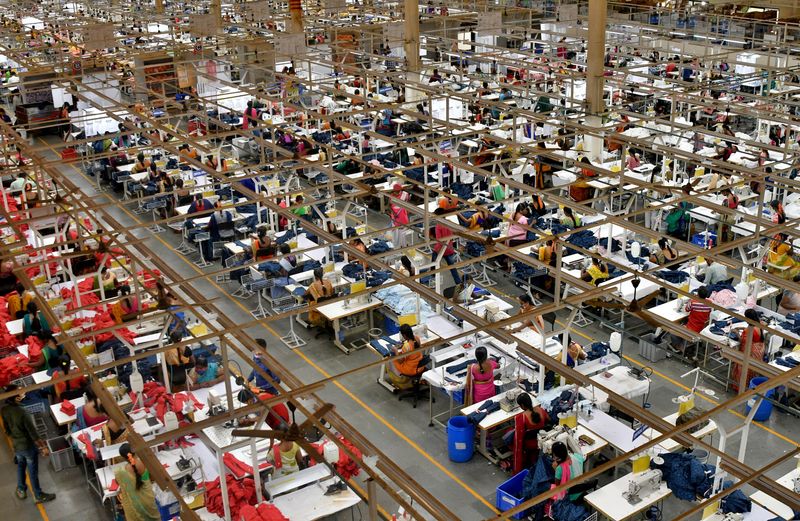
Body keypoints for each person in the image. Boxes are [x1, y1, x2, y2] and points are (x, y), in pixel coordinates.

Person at [1, 385, 56, 503]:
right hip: (27, 446)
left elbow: (7, 429)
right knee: (32, 470)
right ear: (16, 398)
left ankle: (21, 489)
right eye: (20, 393)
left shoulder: (4, 410)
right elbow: (33, 433)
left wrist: (16, 438)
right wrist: (43, 447)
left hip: (17, 446)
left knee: (21, 465)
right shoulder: (23, 412)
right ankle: (38, 494)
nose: (23, 393)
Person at [115, 443, 160, 521]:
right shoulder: (145, 463)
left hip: (134, 507)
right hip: (148, 502)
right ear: (134, 451)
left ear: (123, 458)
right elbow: (152, 478)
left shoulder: (120, 472)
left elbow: (118, 482)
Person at [509, 393, 549, 474]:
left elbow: (518, 440)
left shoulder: (521, 417)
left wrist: (516, 467)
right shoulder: (540, 410)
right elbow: (548, 420)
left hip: (530, 444)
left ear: (522, 405)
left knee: (509, 433)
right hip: (541, 440)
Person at [731, 308, 765, 393]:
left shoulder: (748, 330)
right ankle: (749, 385)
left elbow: (743, 341)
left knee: (742, 368)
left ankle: (740, 387)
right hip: (759, 350)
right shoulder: (760, 324)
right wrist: (742, 327)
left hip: (751, 352)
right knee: (751, 369)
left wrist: (736, 332)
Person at [431, 209, 462, 285]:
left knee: (433, 266)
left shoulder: (438, 226)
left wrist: (438, 251)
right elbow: (452, 235)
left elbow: (439, 240)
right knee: (452, 268)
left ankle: (432, 280)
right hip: (449, 248)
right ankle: (458, 283)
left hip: (440, 249)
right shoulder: (449, 222)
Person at [307, 268, 334, 335]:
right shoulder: (328, 282)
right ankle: (329, 323)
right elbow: (331, 293)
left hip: (320, 307)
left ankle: (320, 322)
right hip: (329, 304)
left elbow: (315, 297)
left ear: (315, 276)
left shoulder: (312, 285)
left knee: (310, 303)